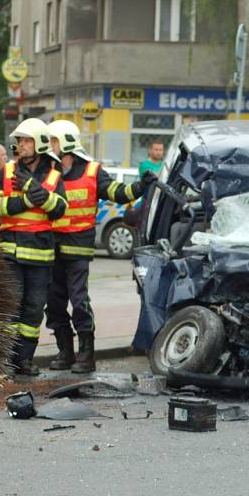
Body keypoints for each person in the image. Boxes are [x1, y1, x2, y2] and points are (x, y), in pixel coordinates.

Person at [45, 119, 155, 374]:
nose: (49, 146)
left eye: (52, 141)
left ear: (65, 143)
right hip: (52, 248)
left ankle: (87, 354)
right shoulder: (50, 171)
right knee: (54, 303)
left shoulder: (92, 171)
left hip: (78, 248)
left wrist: (140, 186)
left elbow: (117, 191)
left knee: (79, 300)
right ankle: (65, 352)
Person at [0, 118, 67, 377]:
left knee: (33, 311)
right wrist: (26, 202)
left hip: (41, 256)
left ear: (40, 144)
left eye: (27, 140)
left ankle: (25, 360)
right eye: (19, 140)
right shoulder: (6, 172)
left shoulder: (54, 176)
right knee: (11, 307)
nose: (21, 145)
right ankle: (5, 362)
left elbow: (61, 211)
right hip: (10, 253)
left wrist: (35, 191)